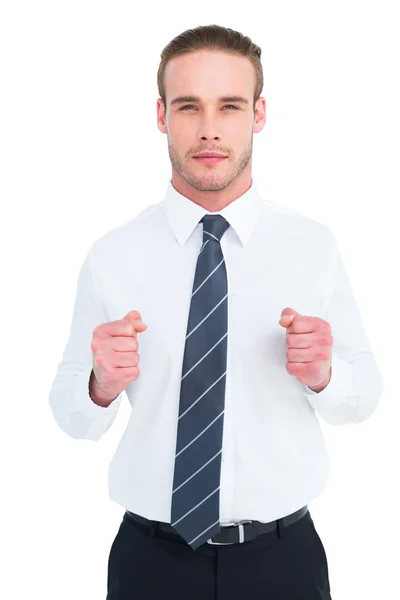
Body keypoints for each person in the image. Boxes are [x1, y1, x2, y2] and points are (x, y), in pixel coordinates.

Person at [49, 24, 383, 600]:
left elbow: (366, 395)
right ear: (161, 116)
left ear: (258, 113)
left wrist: (324, 377)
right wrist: (99, 386)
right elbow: (69, 412)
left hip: (285, 562)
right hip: (149, 564)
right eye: (188, 107)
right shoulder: (113, 255)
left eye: (228, 106)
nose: (208, 130)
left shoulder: (312, 246)